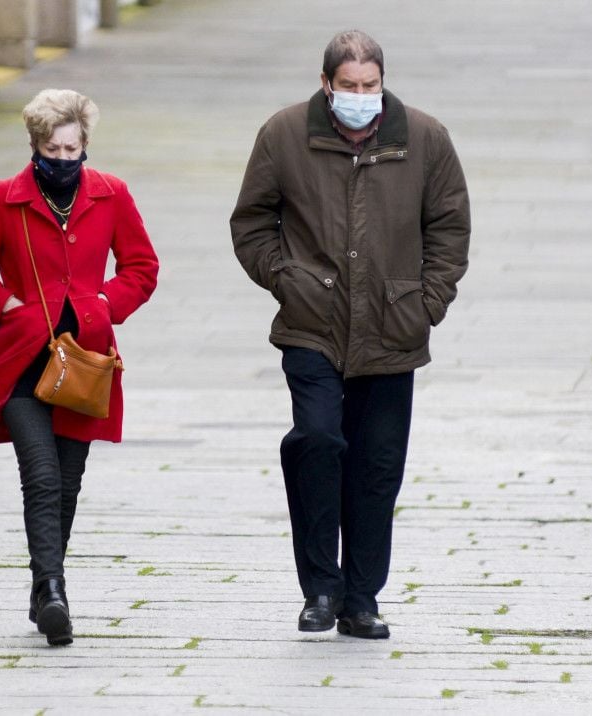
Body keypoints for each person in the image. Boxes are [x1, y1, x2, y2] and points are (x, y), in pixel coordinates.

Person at [230, 30, 470, 639]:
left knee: (377, 466)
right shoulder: (283, 134)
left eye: (371, 86)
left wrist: (427, 302)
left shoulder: (425, 138)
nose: (361, 97)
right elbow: (252, 222)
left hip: (393, 329)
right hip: (312, 324)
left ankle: (361, 599)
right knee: (316, 441)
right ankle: (320, 587)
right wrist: (287, 280)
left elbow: (449, 227)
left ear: (382, 82)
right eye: (349, 87)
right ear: (326, 84)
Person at [0, 88, 158, 646]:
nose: (63, 159)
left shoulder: (111, 195)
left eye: (72, 148)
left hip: (85, 361)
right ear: (35, 145)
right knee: (40, 477)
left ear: (85, 144)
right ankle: (53, 586)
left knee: (67, 483)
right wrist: (4, 305)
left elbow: (142, 266)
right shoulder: (0, 199)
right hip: (20, 361)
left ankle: (44, 592)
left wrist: (106, 304)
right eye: (52, 149)